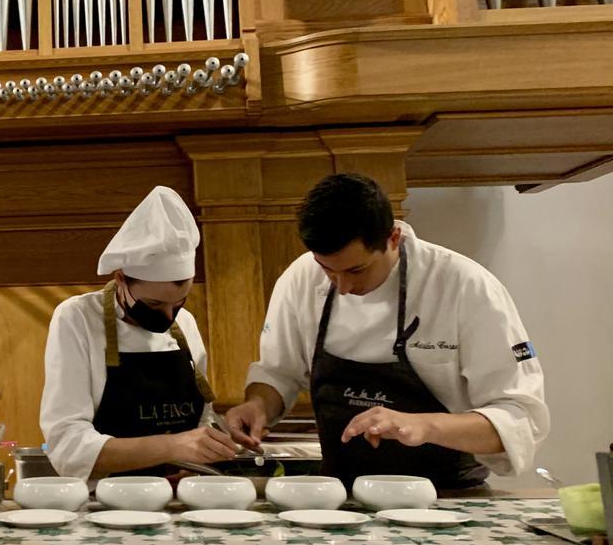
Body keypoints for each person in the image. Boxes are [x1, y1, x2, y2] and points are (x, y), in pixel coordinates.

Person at [225, 173, 549, 487]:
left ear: (393, 238)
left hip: (449, 498)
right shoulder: (300, 279)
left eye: (357, 269)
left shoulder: (465, 287)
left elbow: (520, 417)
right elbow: (278, 373)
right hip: (341, 498)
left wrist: (423, 425)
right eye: (328, 270)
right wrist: (258, 406)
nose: (344, 287)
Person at [40, 186, 237, 481]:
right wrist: (171, 447)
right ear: (121, 279)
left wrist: (215, 443)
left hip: (181, 498)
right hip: (105, 504)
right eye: (155, 303)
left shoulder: (187, 324)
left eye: (179, 302)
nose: (169, 316)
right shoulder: (77, 319)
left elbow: (200, 421)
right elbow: (69, 450)